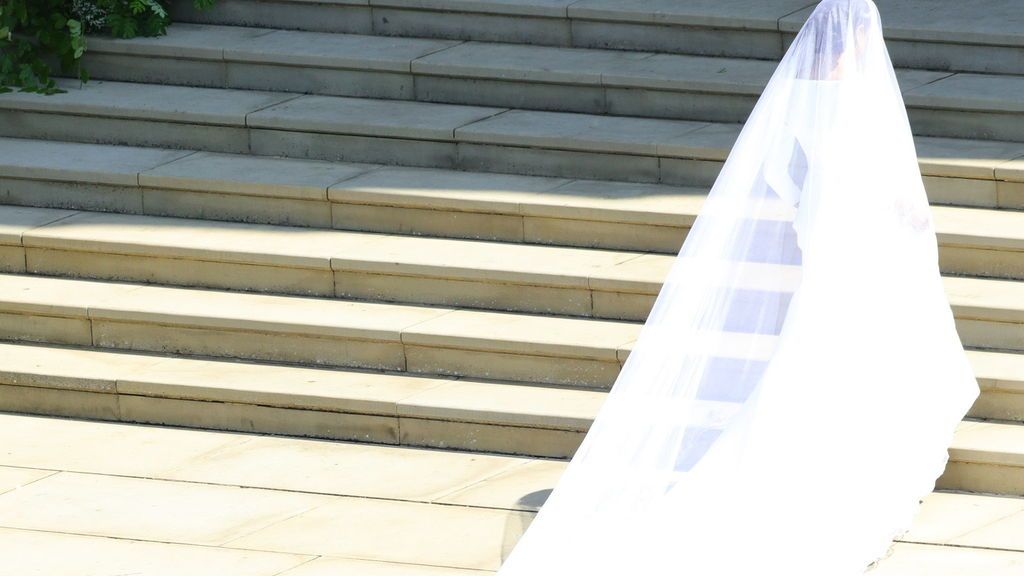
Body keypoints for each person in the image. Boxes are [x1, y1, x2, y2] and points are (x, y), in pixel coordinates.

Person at [495, 1, 980, 574]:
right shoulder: (856, 98)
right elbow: (878, 177)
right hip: (852, 240)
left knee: (813, 354)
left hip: (823, 241)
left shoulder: (800, 97)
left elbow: (783, 173)